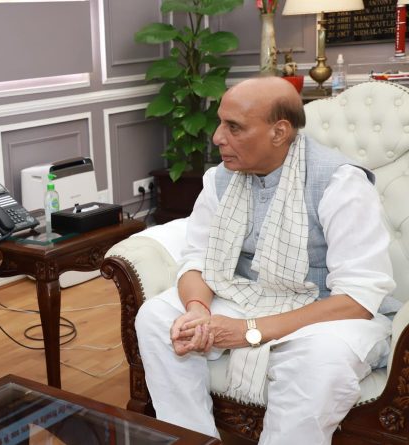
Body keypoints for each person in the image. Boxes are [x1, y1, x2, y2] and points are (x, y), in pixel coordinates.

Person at [135, 77, 396, 444]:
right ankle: (192, 438)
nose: (217, 137)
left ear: (279, 132)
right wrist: (197, 310)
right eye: (220, 123)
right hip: (245, 295)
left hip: (327, 312)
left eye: (234, 127)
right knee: (157, 317)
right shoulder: (220, 179)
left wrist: (249, 330)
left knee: (320, 358)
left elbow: (357, 298)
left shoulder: (340, 183)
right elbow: (197, 260)